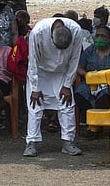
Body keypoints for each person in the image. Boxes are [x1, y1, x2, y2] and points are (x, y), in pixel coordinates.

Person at [23, 18, 83, 157]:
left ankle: (68, 142)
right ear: (51, 36)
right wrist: (36, 88)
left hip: (62, 73)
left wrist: (67, 85)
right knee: (35, 107)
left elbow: (75, 60)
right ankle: (31, 142)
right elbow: (33, 61)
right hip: (40, 72)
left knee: (67, 106)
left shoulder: (76, 30)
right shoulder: (37, 32)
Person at [74, 26, 110, 112]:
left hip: (108, 84)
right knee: (79, 94)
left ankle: (100, 119)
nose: (99, 38)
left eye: (103, 36)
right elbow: (79, 67)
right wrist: (86, 74)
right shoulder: (89, 51)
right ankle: (90, 116)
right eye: (97, 35)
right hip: (89, 83)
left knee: (105, 98)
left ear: (109, 39)